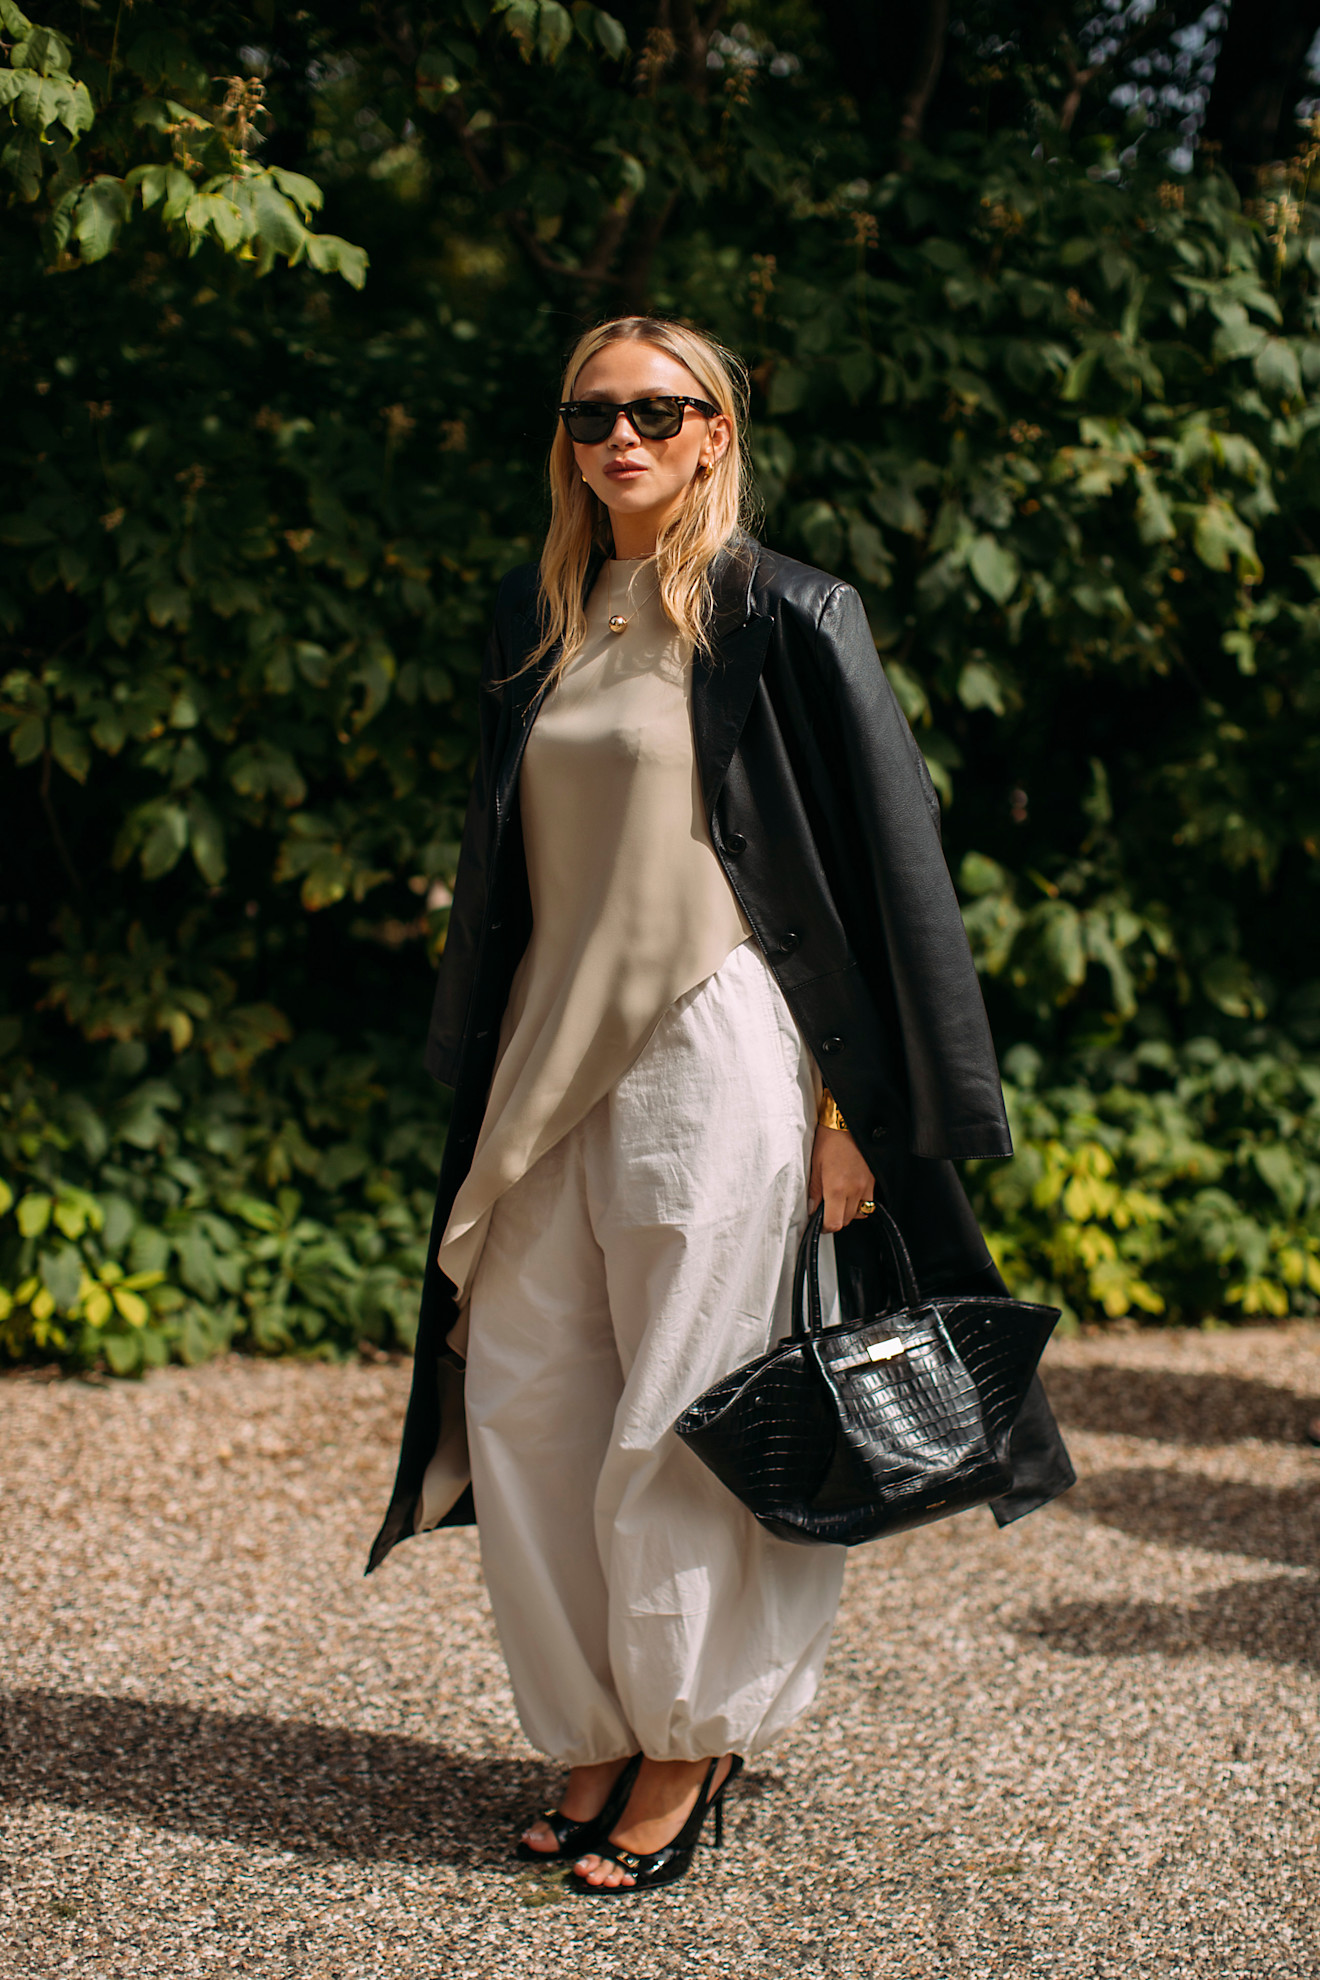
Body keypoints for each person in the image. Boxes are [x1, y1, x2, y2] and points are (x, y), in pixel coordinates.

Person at [367, 315, 1074, 1897]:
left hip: (721, 1046)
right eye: (591, 414)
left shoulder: (789, 613)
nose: (621, 437)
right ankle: (592, 1725)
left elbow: (888, 876)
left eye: (657, 411)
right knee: (532, 1402)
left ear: (713, 434)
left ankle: (688, 1740)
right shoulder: (535, 611)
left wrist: (852, 1117)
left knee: (687, 1410)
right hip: (543, 1057)